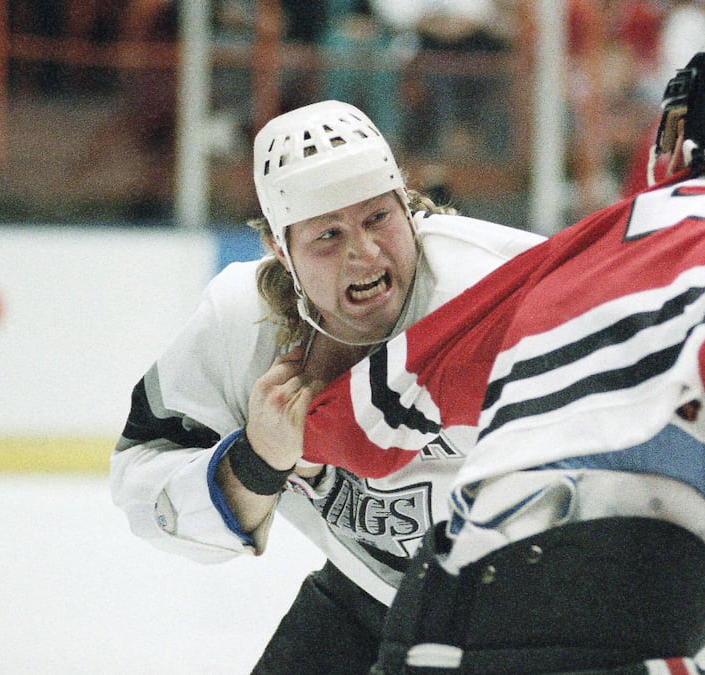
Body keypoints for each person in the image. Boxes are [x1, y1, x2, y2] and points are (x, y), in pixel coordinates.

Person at [303, 21, 705, 674]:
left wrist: (287, 440)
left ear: (678, 131)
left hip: (432, 609)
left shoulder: (589, 243)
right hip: (603, 599)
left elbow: (388, 399)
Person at [109, 100, 543, 674]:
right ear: (279, 252)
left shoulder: (492, 288)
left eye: (377, 219)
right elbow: (144, 485)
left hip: (529, 616)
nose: (363, 253)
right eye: (329, 235)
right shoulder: (242, 322)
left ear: (408, 209)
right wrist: (258, 462)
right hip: (369, 593)